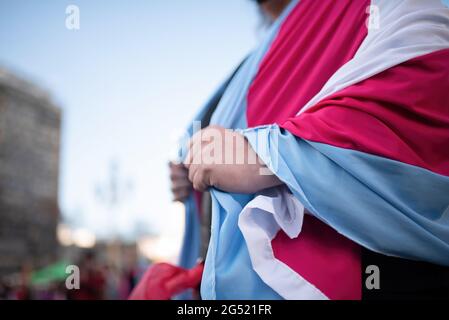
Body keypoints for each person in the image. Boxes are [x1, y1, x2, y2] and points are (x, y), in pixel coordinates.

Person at [183, 0, 449, 299]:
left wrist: (266, 156)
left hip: (376, 269)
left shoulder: (377, 7)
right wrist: (192, 183)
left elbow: (425, 75)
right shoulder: (250, 66)